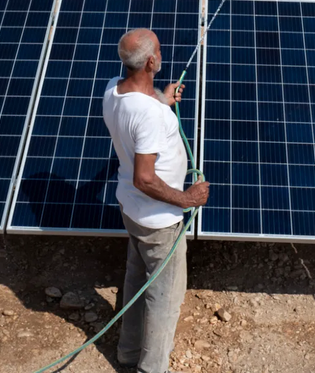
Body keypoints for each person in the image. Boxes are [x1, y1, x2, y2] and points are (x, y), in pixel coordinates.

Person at [102, 28, 210, 373]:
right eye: (159, 51)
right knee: (164, 300)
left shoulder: (112, 89)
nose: (161, 54)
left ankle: (128, 352)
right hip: (159, 221)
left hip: (132, 211)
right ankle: (151, 369)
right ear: (151, 61)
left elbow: (138, 112)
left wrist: (162, 100)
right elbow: (144, 177)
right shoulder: (150, 115)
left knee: (136, 280)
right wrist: (186, 198)